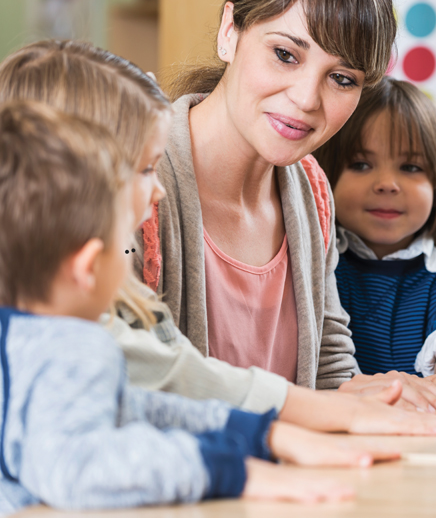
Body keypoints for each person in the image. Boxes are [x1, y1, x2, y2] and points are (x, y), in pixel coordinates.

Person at [0, 39, 436, 434]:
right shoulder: (51, 322)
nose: (157, 187)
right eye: (143, 169)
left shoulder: (112, 259)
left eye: (342, 77)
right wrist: (274, 438)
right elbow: (163, 373)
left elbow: (166, 350)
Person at [0, 101, 407, 513]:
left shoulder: (27, 338)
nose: (134, 253)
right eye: (123, 245)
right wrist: (226, 470)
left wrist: (254, 434)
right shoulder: (73, 348)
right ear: (88, 268)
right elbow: (78, 470)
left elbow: (138, 409)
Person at [140, 0, 436, 414]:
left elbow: (328, 364)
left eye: (341, 78)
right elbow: (130, 372)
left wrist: (372, 392)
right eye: (285, 54)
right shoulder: (133, 179)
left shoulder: (311, 187)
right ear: (230, 31)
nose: (306, 98)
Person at [314, 77, 436, 393]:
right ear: (325, 174)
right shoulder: (317, 261)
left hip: (428, 420)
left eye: (409, 168)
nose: (387, 184)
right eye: (361, 164)